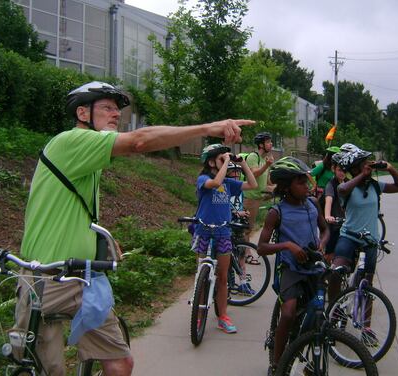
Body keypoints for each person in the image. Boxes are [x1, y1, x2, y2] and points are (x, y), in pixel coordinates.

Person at [16, 81, 254, 376]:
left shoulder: (87, 158)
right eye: (106, 107)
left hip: (83, 277)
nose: (115, 114)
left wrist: (99, 234)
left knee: (120, 363)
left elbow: (66, 208)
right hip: (46, 278)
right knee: (47, 369)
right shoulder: (70, 141)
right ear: (82, 113)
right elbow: (140, 140)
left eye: (118, 109)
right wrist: (208, 128)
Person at [256, 156, 329, 375]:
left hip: (313, 267)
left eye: (306, 181)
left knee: (317, 315)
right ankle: (278, 365)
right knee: (288, 313)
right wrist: (288, 246)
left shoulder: (313, 205)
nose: (306, 185)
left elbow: (325, 230)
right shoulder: (276, 212)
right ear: (287, 187)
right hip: (290, 269)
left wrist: (322, 244)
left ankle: (309, 358)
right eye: (300, 182)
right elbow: (261, 247)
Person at [330, 143, 398, 337]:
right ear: (355, 168)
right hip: (349, 237)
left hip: (370, 241)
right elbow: (343, 190)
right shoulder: (346, 186)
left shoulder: (374, 185)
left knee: (366, 284)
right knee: (336, 272)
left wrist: (389, 168)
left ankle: (366, 326)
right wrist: (361, 175)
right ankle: (333, 313)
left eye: (368, 164)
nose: (368, 167)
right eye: (363, 164)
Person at [193, 144, 257, 333]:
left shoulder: (229, 183)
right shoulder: (203, 178)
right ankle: (198, 314)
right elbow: (214, 183)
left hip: (223, 233)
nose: (226, 162)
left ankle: (223, 316)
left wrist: (243, 164)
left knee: (222, 277)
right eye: (221, 159)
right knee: (201, 276)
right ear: (211, 162)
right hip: (204, 231)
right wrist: (226, 162)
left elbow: (252, 185)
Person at [226, 161, 256, 296]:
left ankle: (243, 283)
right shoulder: (225, 187)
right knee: (228, 256)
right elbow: (224, 207)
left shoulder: (239, 190)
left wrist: (243, 212)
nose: (237, 175)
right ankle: (230, 282)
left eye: (239, 172)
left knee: (241, 255)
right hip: (228, 225)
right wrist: (236, 213)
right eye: (234, 172)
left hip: (238, 225)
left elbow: (238, 206)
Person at [243, 132, 275, 239]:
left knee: (249, 227)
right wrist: (267, 165)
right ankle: (245, 253)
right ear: (261, 145)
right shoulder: (253, 156)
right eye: (268, 142)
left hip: (257, 197)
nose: (271, 144)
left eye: (270, 141)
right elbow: (254, 173)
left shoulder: (264, 159)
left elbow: (268, 181)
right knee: (246, 228)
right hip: (249, 197)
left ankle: (244, 251)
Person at [323, 153, 347, 260]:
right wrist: (328, 216)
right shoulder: (331, 185)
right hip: (334, 224)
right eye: (340, 170)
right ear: (334, 169)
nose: (342, 173)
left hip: (347, 224)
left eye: (345, 170)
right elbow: (329, 200)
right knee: (330, 254)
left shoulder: (348, 183)